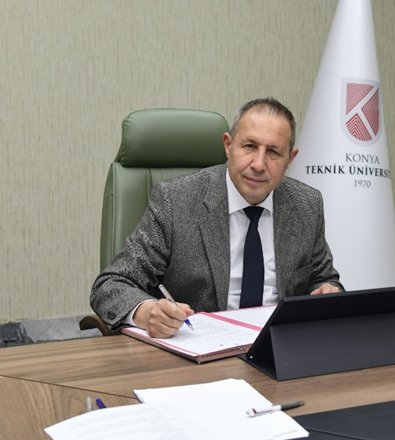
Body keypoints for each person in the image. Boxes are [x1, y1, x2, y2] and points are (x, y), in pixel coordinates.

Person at [91, 98, 343, 338]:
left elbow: (323, 279)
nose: (258, 164)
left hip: (279, 347)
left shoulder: (306, 204)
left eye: (274, 152)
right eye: (249, 146)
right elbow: (111, 284)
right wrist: (147, 313)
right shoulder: (175, 201)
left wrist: (327, 292)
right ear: (228, 145)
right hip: (198, 348)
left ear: (290, 159)